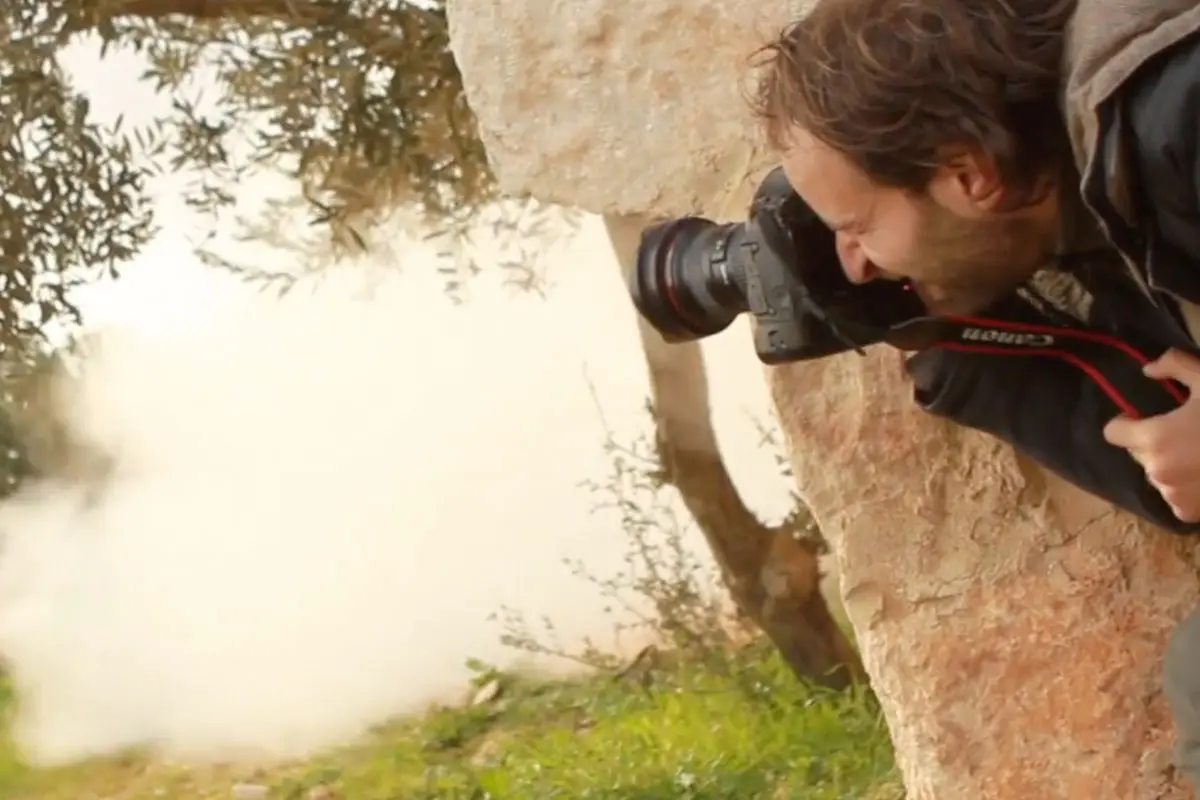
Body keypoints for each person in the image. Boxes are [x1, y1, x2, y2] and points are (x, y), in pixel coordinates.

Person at [745, 0, 1200, 787]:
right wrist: (942, 337)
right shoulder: (1085, 198)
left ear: (969, 174)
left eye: (855, 226)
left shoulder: (1172, 115)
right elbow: (1174, 482)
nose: (852, 262)